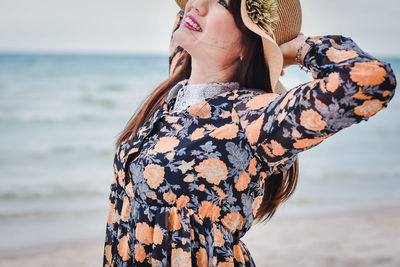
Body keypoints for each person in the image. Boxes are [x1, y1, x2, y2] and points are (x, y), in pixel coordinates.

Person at [103, 0, 397, 266]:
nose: (196, 4)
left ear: (249, 45)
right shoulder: (175, 86)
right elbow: (186, 13)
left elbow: (370, 81)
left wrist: (301, 48)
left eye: (222, 2)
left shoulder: (254, 118)